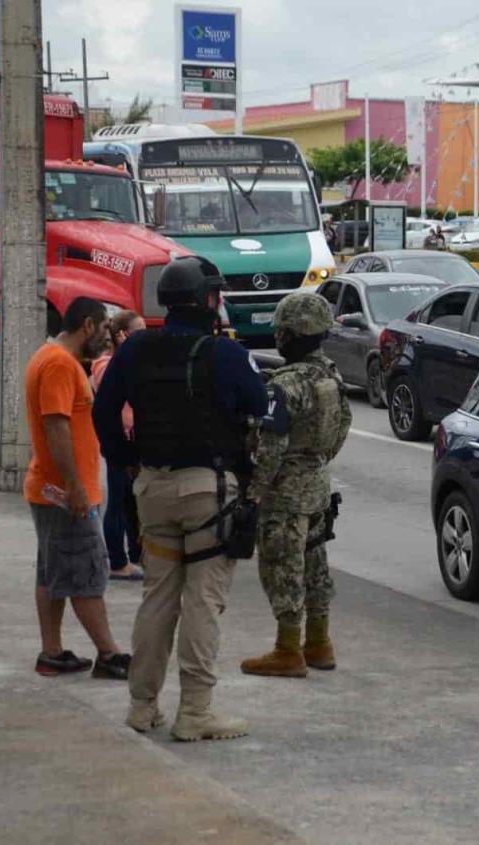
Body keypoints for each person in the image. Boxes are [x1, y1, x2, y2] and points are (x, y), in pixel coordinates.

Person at [93, 255, 267, 741]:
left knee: (158, 598)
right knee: (202, 602)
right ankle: (195, 711)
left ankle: (142, 705)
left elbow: (104, 411)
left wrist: (127, 460)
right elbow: (259, 407)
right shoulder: (225, 354)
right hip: (207, 492)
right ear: (209, 299)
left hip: (152, 489)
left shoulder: (135, 350)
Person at [241, 293, 351, 678]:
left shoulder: (285, 386)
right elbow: (342, 428)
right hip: (318, 484)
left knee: (281, 566)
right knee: (315, 565)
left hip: (285, 493)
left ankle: (288, 650)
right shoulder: (331, 376)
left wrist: (253, 493)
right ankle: (319, 643)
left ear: (290, 335)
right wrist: (316, 461)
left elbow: (270, 448)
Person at [24, 296, 132, 680]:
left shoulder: (53, 358)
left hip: (52, 490)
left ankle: (51, 652)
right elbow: (57, 427)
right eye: (104, 328)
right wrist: (76, 489)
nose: (106, 336)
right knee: (87, 574)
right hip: (66, 494)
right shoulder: (58, 364)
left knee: (52, 574)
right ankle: (109, 654)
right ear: (87, 325)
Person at [91, 309, 146, 581]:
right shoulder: (104, 364)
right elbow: (110, 387)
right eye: (138, 331)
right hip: (118, 441)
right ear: (122, 335)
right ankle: (116, 559)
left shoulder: (135, 361)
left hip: (136, 440)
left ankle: (136, 553)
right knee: (117, 500)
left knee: (133, 501)